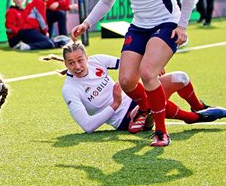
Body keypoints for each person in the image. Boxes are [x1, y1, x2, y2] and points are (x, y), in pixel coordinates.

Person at [71, 0, 197, 147]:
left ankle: (161, 131)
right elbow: (106, 1)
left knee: (148, 74)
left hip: (166, 23)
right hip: (139, 25)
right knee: (127, 81)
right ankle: (145, 106)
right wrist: (87, 23)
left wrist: (182, 26)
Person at [45, 41, 226, 133]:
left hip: (136, 97)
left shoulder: (97, 61)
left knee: (181, 78)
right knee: (148, 100)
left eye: (80, 60)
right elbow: (87, 126)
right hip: (126, 119)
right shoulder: (69, 89)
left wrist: (151, 67)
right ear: (66, 65)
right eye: (71, 63)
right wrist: (114, 105)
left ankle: (199, 108)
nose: (77, 66)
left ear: (87, 57)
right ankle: (193, 118)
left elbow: (130, 62)